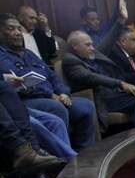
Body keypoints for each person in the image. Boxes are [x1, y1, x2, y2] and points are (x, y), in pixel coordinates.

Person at [0, 13, 97, 151]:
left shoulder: (29, 54)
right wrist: (51, 95)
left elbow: (52, 76)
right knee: (57, 108)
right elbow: (22, 81)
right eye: (11, 29)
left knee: (86, 106)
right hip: (26, 100)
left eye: (19, 29)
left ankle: (85, 152)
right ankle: (64, 158)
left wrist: (63, 93)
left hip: (52, 96)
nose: (17, 33)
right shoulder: (2, 56)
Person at [62, 28, 135, 147]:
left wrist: (119, 21)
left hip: (114, 94)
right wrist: (120, 83)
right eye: (88, 45)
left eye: (92, 44)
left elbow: (108, 41)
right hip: (102, 100)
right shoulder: (70, 61)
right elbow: (91, 77)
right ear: (75, 46)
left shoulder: (90, 54)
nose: (92, 48)